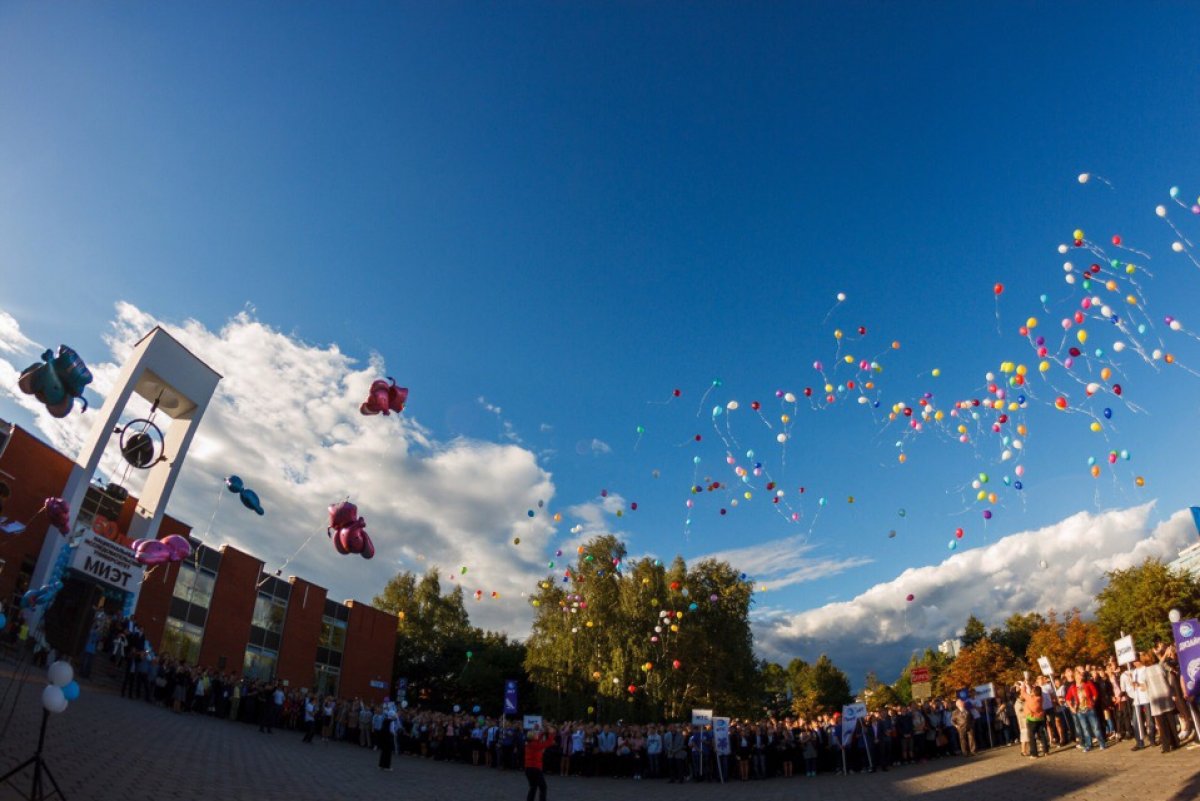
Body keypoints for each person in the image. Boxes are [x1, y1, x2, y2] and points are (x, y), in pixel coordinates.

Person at [524, 726, 552, 801]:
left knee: (533, 787)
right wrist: (551, 734)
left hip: (528, 768)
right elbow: (548, 742)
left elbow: (539, 738)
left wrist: (544, 732)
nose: (537, 735)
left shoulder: (529, 743)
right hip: (535, 768)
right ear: (533, 737)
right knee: (543, 787)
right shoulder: (535, 745)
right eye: (535, 734)